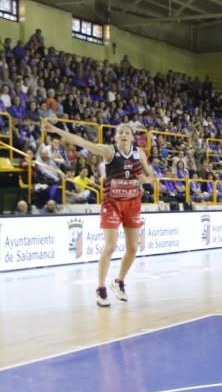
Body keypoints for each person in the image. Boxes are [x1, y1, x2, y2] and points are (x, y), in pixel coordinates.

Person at [45, 120, 154, 307]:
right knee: (110, 246)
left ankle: (118, 282)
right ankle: (101, 289)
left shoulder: (140, 153)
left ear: (132, 136)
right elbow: (82, 142)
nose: (124, 134)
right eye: (120, 132)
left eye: (127, 132)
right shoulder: (108, 151)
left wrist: (147, 178)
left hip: (133, 203)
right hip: (112, 203)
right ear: (115, 137)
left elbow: (151, 175)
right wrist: (57, 131)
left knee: (133, 248)